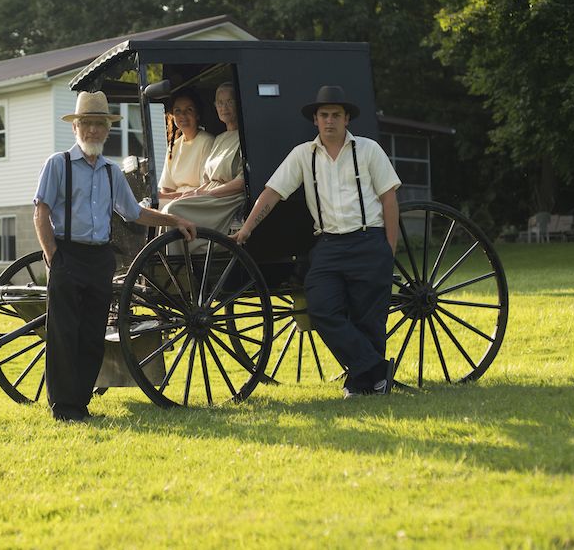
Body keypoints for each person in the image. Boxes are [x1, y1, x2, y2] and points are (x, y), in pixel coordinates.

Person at [34, 91, 197, 422]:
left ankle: (80, 405)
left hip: (99, 259)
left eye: (99, 125)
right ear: (76, 128)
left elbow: (134, 213)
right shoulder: (58, 164)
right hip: (68, 254)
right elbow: (41, 212)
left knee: (93, 334)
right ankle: (63, 409)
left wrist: (174, 219)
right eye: (87, 124)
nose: (93, 131)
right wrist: (53, 257)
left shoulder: (110, 171)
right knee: (64, 335)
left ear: (107, 130)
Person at [232, 85, 401, 398]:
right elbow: (273, 192)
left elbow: (389, 199)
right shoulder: (303, 155)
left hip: (369, 240)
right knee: (320, 308)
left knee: (369, 317)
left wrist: (388, 250)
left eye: (336, 115)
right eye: (324, 115)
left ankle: (365, 383)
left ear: (347, 118)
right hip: (330, 245)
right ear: (315, 120)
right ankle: (376, 369)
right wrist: (247, 228)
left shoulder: (367, 150)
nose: (330, 121)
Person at [160, 82, 245, 235]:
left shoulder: (243, 139)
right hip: (208, 196)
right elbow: (206, 181)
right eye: (220, 102)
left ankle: (177, 256)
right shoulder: (220, 139)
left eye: (229, 102)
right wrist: (196, 193)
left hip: (226, 200)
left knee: (172, 209)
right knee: (156, 208)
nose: (224, 107)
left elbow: (242, 182)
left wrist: (202, 194)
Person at [158, 90, 215, 201]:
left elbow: (205, 188)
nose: (183, 115)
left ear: (197, 114)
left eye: (189, 110)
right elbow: (167, 188)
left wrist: (167, 198)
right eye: (178, 111)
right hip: (174, 202)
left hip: (197, 201)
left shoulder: (207, 142)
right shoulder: (173, 147)